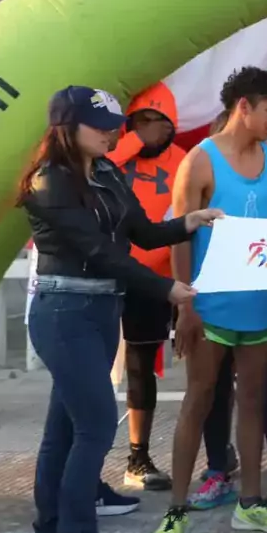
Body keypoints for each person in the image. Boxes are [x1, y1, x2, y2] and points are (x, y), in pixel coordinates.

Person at [21, 86, 212, 533]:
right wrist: (166, 288)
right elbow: (100, 252)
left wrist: (189, 222)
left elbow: (143, 233)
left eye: (114, 124)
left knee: (64, 432)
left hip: (103, 308)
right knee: (96, 424)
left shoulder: (105, 171)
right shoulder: (50, 182)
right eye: (100, 124)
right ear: (67, 126)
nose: (113, 132)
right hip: (65, 310)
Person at [153, 69, 267, 533]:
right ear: (244, 108)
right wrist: (185, 303)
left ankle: (250, 502)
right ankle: (176, 510)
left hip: (260, 307)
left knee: (253, 402)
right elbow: (179, 235)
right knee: (200, 400)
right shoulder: (200, 160)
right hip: (210, 306)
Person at [105, 84, 188, 492]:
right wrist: (134, 141)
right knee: (94, 367)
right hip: (105, 272)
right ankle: (86, 456)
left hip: (153, 279)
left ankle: (137, 457)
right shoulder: (114, 156)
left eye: (161, 123)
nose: (154, 130)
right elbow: (94, 168)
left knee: (141, 366)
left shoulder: (184, 161)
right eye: (144, 122)